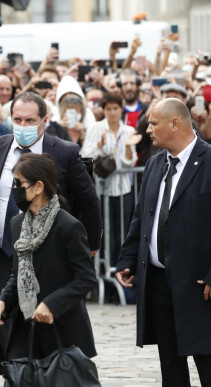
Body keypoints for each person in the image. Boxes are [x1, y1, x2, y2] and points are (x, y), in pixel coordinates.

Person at [116, 98, 211, 387]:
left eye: (153, 123)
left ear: (175, 124)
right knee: (171, 365)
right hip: (160, 283)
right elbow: (142, 217)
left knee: (210, 362)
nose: (148, 129)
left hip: (202, 285)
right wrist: (128, 259)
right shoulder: (154, 164)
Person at [0, 92, 102, 347]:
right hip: (1, 254)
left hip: (48, 255)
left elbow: (88, 201)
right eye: (17, 119)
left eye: (29, 120)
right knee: (10, 332)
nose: (22, 126)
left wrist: (90, 245)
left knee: (48, 330)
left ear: (44, 121)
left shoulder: (65, 151)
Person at [0, 153, 97, 360]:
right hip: (25, 329)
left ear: (38, 187)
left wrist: (51, 304)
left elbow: (86, 278)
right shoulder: (17, 224)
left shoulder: (68, 226)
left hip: (62, 332)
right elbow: (17, 273)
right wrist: (3, 300)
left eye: (19, 183)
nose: (14, 190)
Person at [81, 93, 139, 266]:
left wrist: (128, 147)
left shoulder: (129, 130)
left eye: (115, 108)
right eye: (108, 109)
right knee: (104, 235)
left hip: (123, 190)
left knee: (122, 233)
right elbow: (84, 156)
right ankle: (104, 270)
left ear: (121, 109)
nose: (112, 112)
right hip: (102, 190)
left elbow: (129, 163)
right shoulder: (95, 128)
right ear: (104, 110)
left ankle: (119, 269)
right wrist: (99, 146)